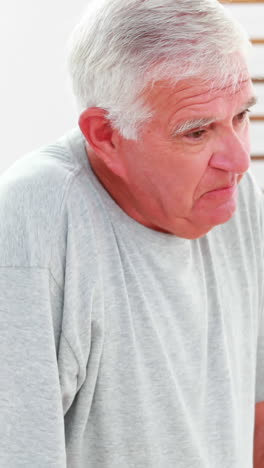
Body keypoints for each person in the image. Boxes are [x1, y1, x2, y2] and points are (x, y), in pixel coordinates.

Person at [0, 0, 263, 466]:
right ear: (105, 135)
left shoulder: (236, 195)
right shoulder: (35, 219)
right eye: (197, 132)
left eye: (241, 117)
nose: (239, 161)